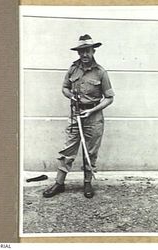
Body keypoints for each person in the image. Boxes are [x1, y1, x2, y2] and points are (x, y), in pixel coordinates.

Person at [43, 34, 115, 199]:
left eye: (87, 51)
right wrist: (71, 97)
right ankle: (59, 184)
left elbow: (110, 98)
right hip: (76, 115)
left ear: (93, 51)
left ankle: (87, 183)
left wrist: (92, 110)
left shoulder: (101, 72)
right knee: (67, 151)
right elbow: (65, 88)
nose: (84, 55)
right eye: (81, 52)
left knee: (90, 153)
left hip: (94, 117)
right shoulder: (73, 69)